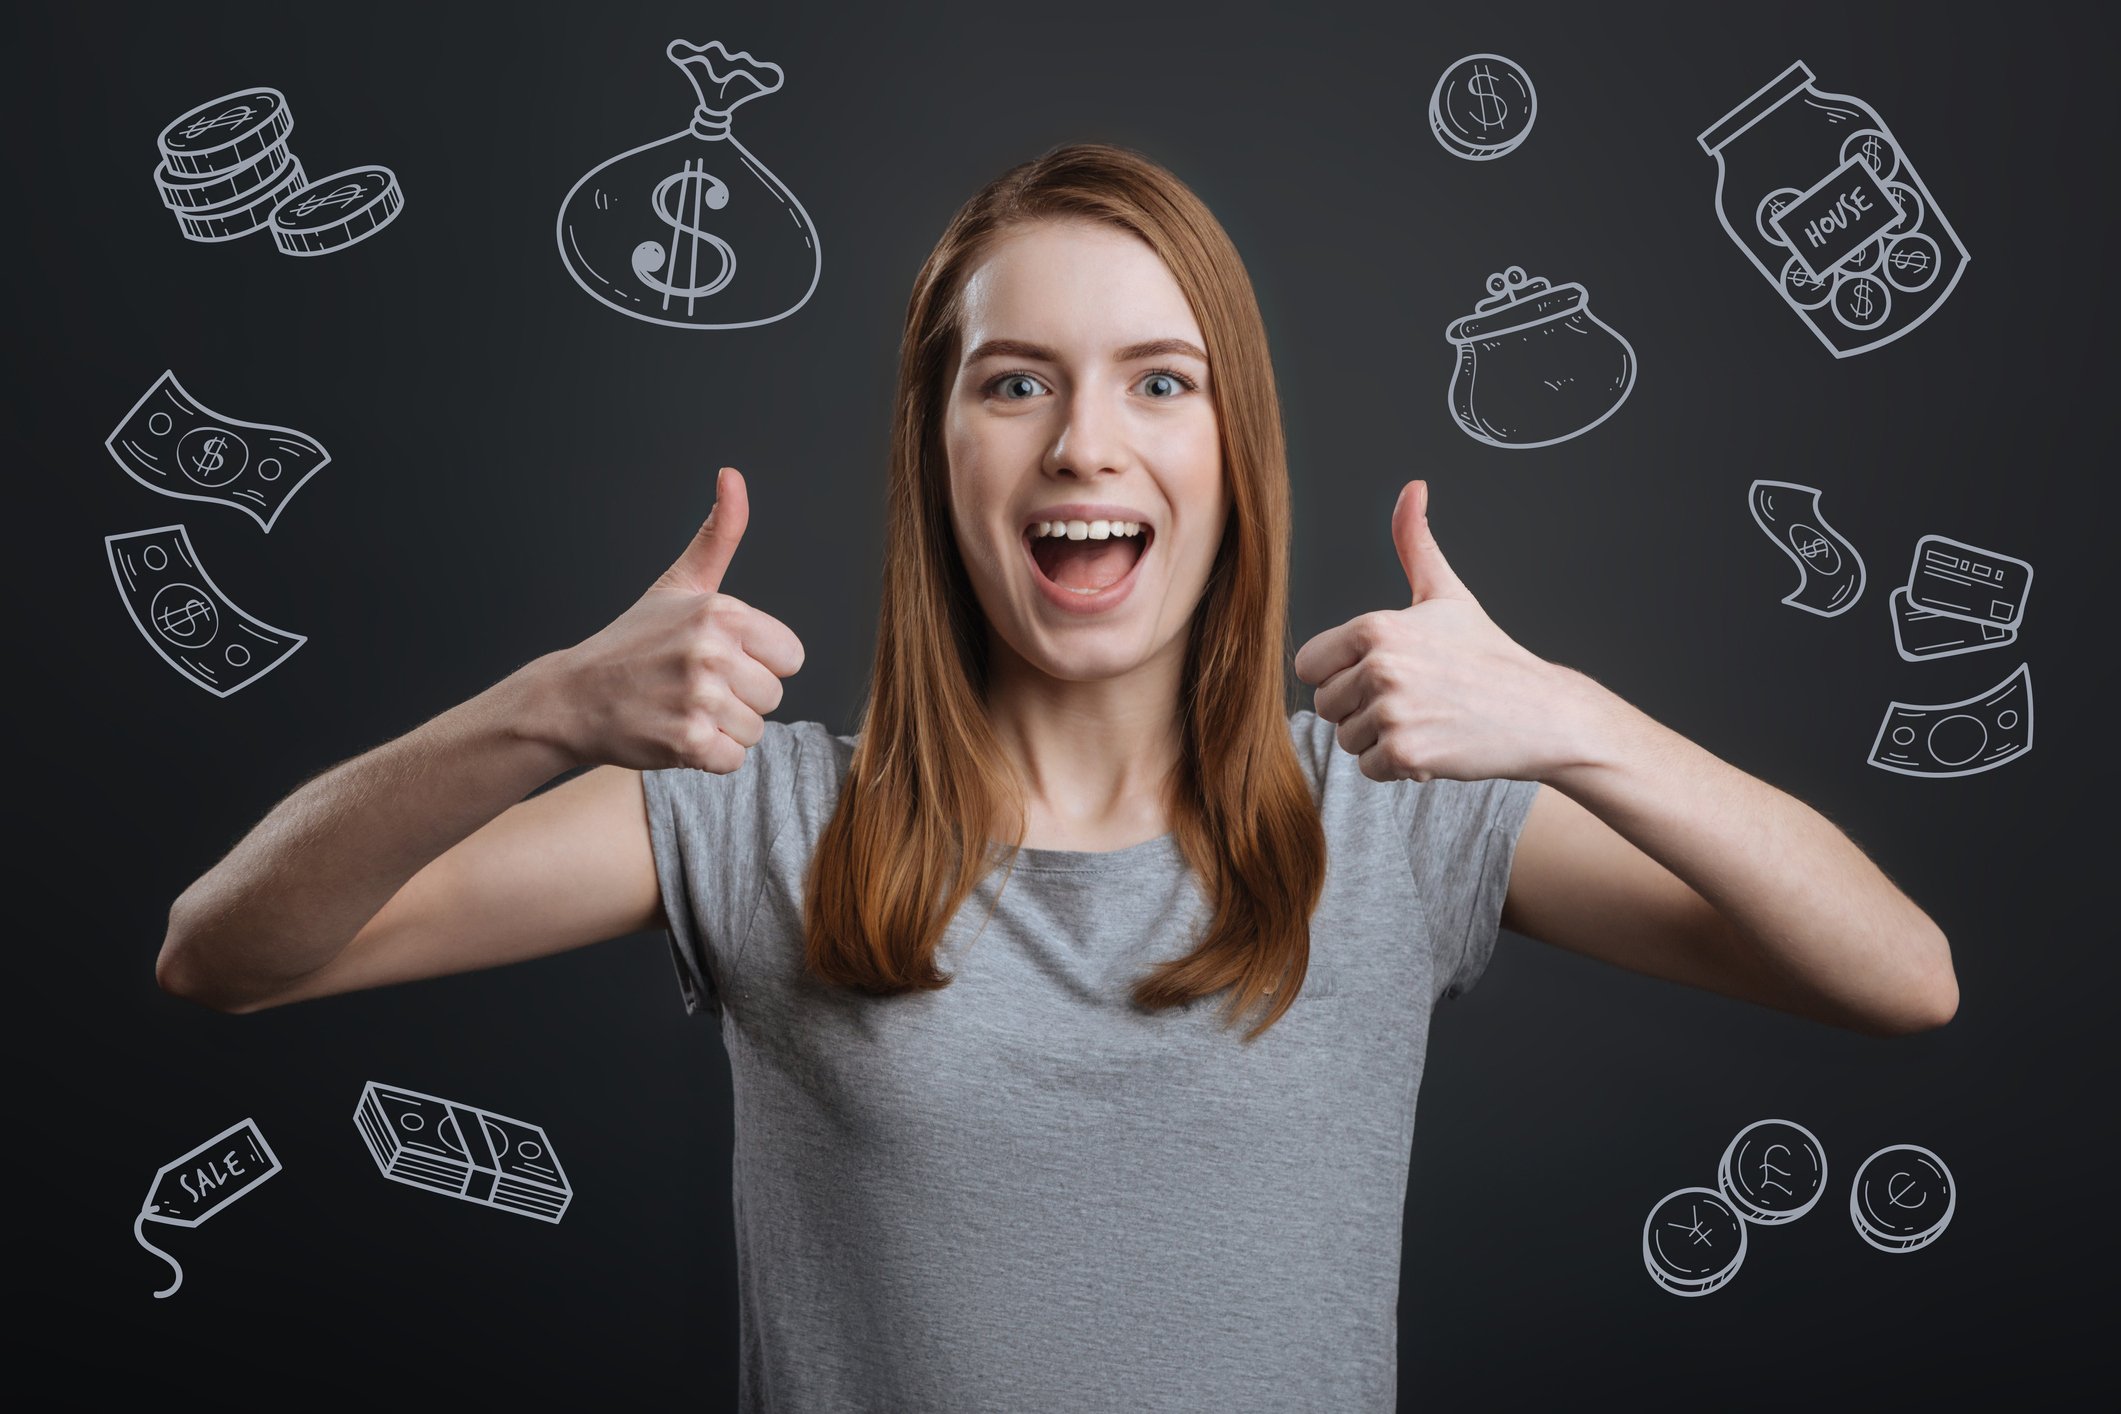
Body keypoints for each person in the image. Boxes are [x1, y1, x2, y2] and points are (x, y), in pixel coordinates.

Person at [158, 144, 1955, 1410]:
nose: (1085, 439)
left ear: (1230, 451)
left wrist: (1570, 716)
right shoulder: (764, 817)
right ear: (937, 455)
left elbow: (1897, 976)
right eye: (1014, 383)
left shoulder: (1397, 814)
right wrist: (545, 709)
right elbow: (224, 950)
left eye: (1157, 382)